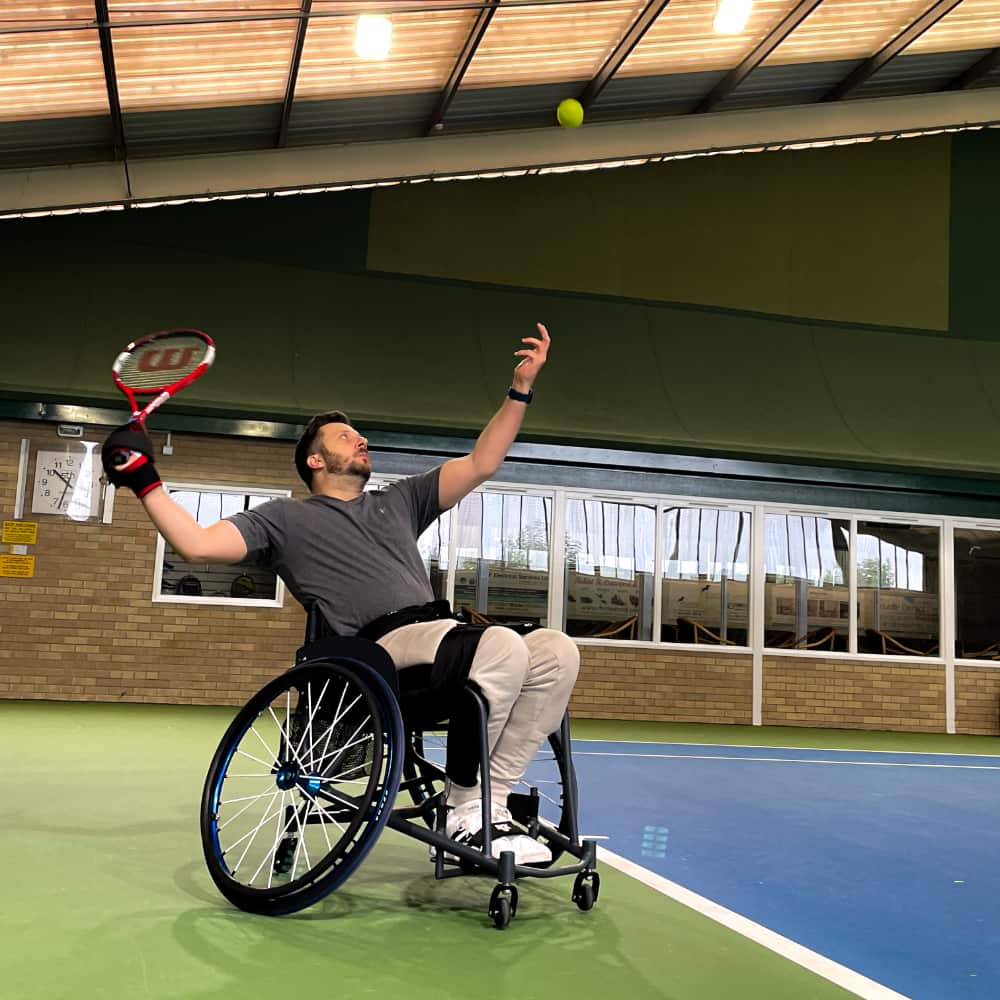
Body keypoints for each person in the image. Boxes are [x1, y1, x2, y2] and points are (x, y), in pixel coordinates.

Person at [102, 322, 579, 865]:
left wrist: (520, 388)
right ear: (315, 460)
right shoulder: (284, 518)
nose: (361, 440)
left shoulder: (402, 500)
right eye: (345, 437)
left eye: (360, 435)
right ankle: (464, 809)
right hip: (377, 650)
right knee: (501, 647)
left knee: (558, 652)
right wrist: (145, 480)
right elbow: (196, 544)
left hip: (441, 634)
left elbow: (482, 462)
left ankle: (489, 800)